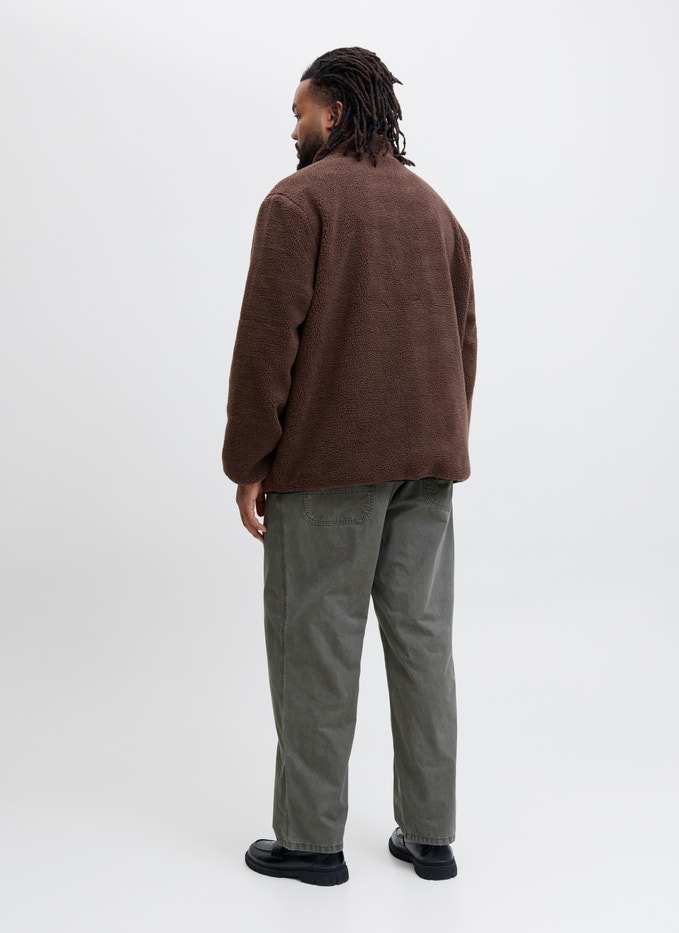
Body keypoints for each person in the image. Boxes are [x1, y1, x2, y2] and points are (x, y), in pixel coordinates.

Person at [222, 47, 477, 886]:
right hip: (425, 468)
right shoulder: (436, 212)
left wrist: (249, 460)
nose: (293, 128)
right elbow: (464, 344)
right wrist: (438, 436)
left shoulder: (298, 202)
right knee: (423, 644)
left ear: (333, 111)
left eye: (300, 112)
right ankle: (431, 837)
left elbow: (267, 347)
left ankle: (310, 842)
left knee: (317, 646)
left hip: (327, 467)